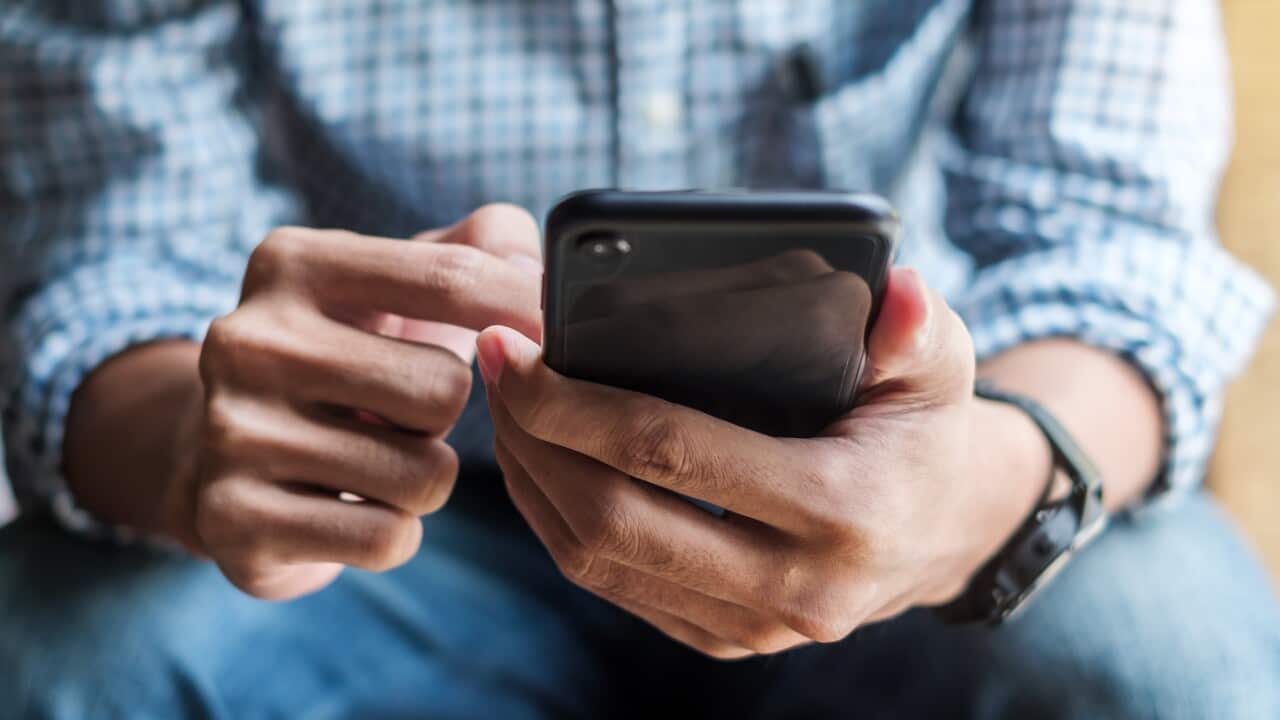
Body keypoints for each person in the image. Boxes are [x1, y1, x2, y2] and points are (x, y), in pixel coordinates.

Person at [1, 1, 1278, 718]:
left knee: (1166, 662)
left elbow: (1108, 242)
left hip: (912, 484)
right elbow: (112, 253)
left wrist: (984, 495)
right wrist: (190, 446)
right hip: (406, 521)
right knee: (56, 654)